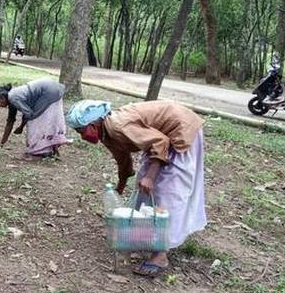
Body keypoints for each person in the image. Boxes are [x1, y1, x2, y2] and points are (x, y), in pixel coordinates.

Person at [66, 100, 207, 277]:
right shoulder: (107, 132)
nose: (81, 136)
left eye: (81, 131)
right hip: (158, 138)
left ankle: (160, 255)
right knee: (143, 185)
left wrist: (151, 176)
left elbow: (161, 142)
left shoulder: (118, 126)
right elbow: (123, 161)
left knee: (167, 191)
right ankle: (146, 236)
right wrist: (119, 189)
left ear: (93, 125)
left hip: (179, 130)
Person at [0, 78, 71, 158]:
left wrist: (21, 127)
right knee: (44, 119)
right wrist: (2, 144)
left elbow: (28, 114)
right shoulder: (12, 98)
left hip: (49, 91)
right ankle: (51, 148)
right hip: (53, 88)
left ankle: (42, 151)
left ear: (1, 97)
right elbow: (10, 122)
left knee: (34, 120)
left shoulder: (13, 97)